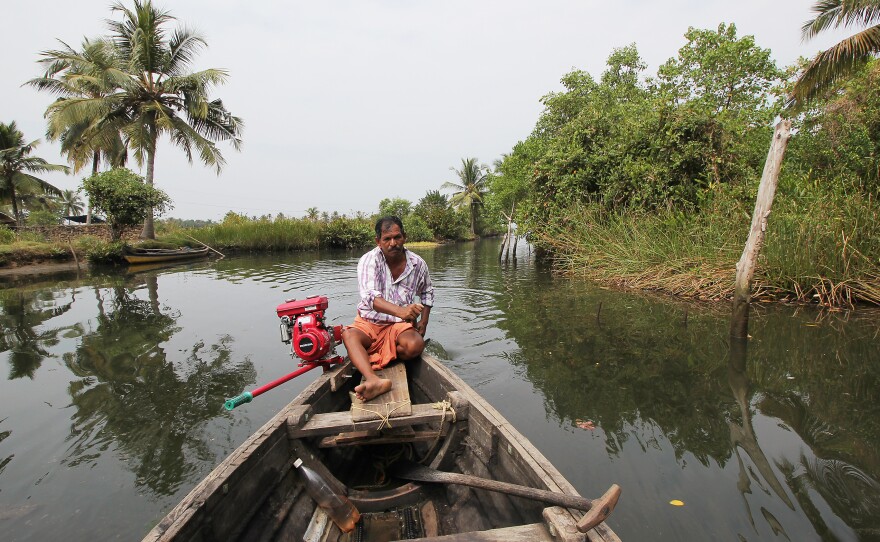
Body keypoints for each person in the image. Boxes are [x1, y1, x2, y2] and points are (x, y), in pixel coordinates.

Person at [342, 216, 434, 401]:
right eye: (387, 239)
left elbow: (427, 292)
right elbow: (369, 298)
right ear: (378, 241)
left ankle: (374, 355)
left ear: (404, 237)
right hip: (369, 322)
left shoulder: (417, 264)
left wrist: (423, 322)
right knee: (349, 335)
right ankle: (373, 380)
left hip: (399, 326)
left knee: (416, 345)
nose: (393, 243)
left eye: (397, 237)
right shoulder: (369, 260)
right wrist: (401, 311)